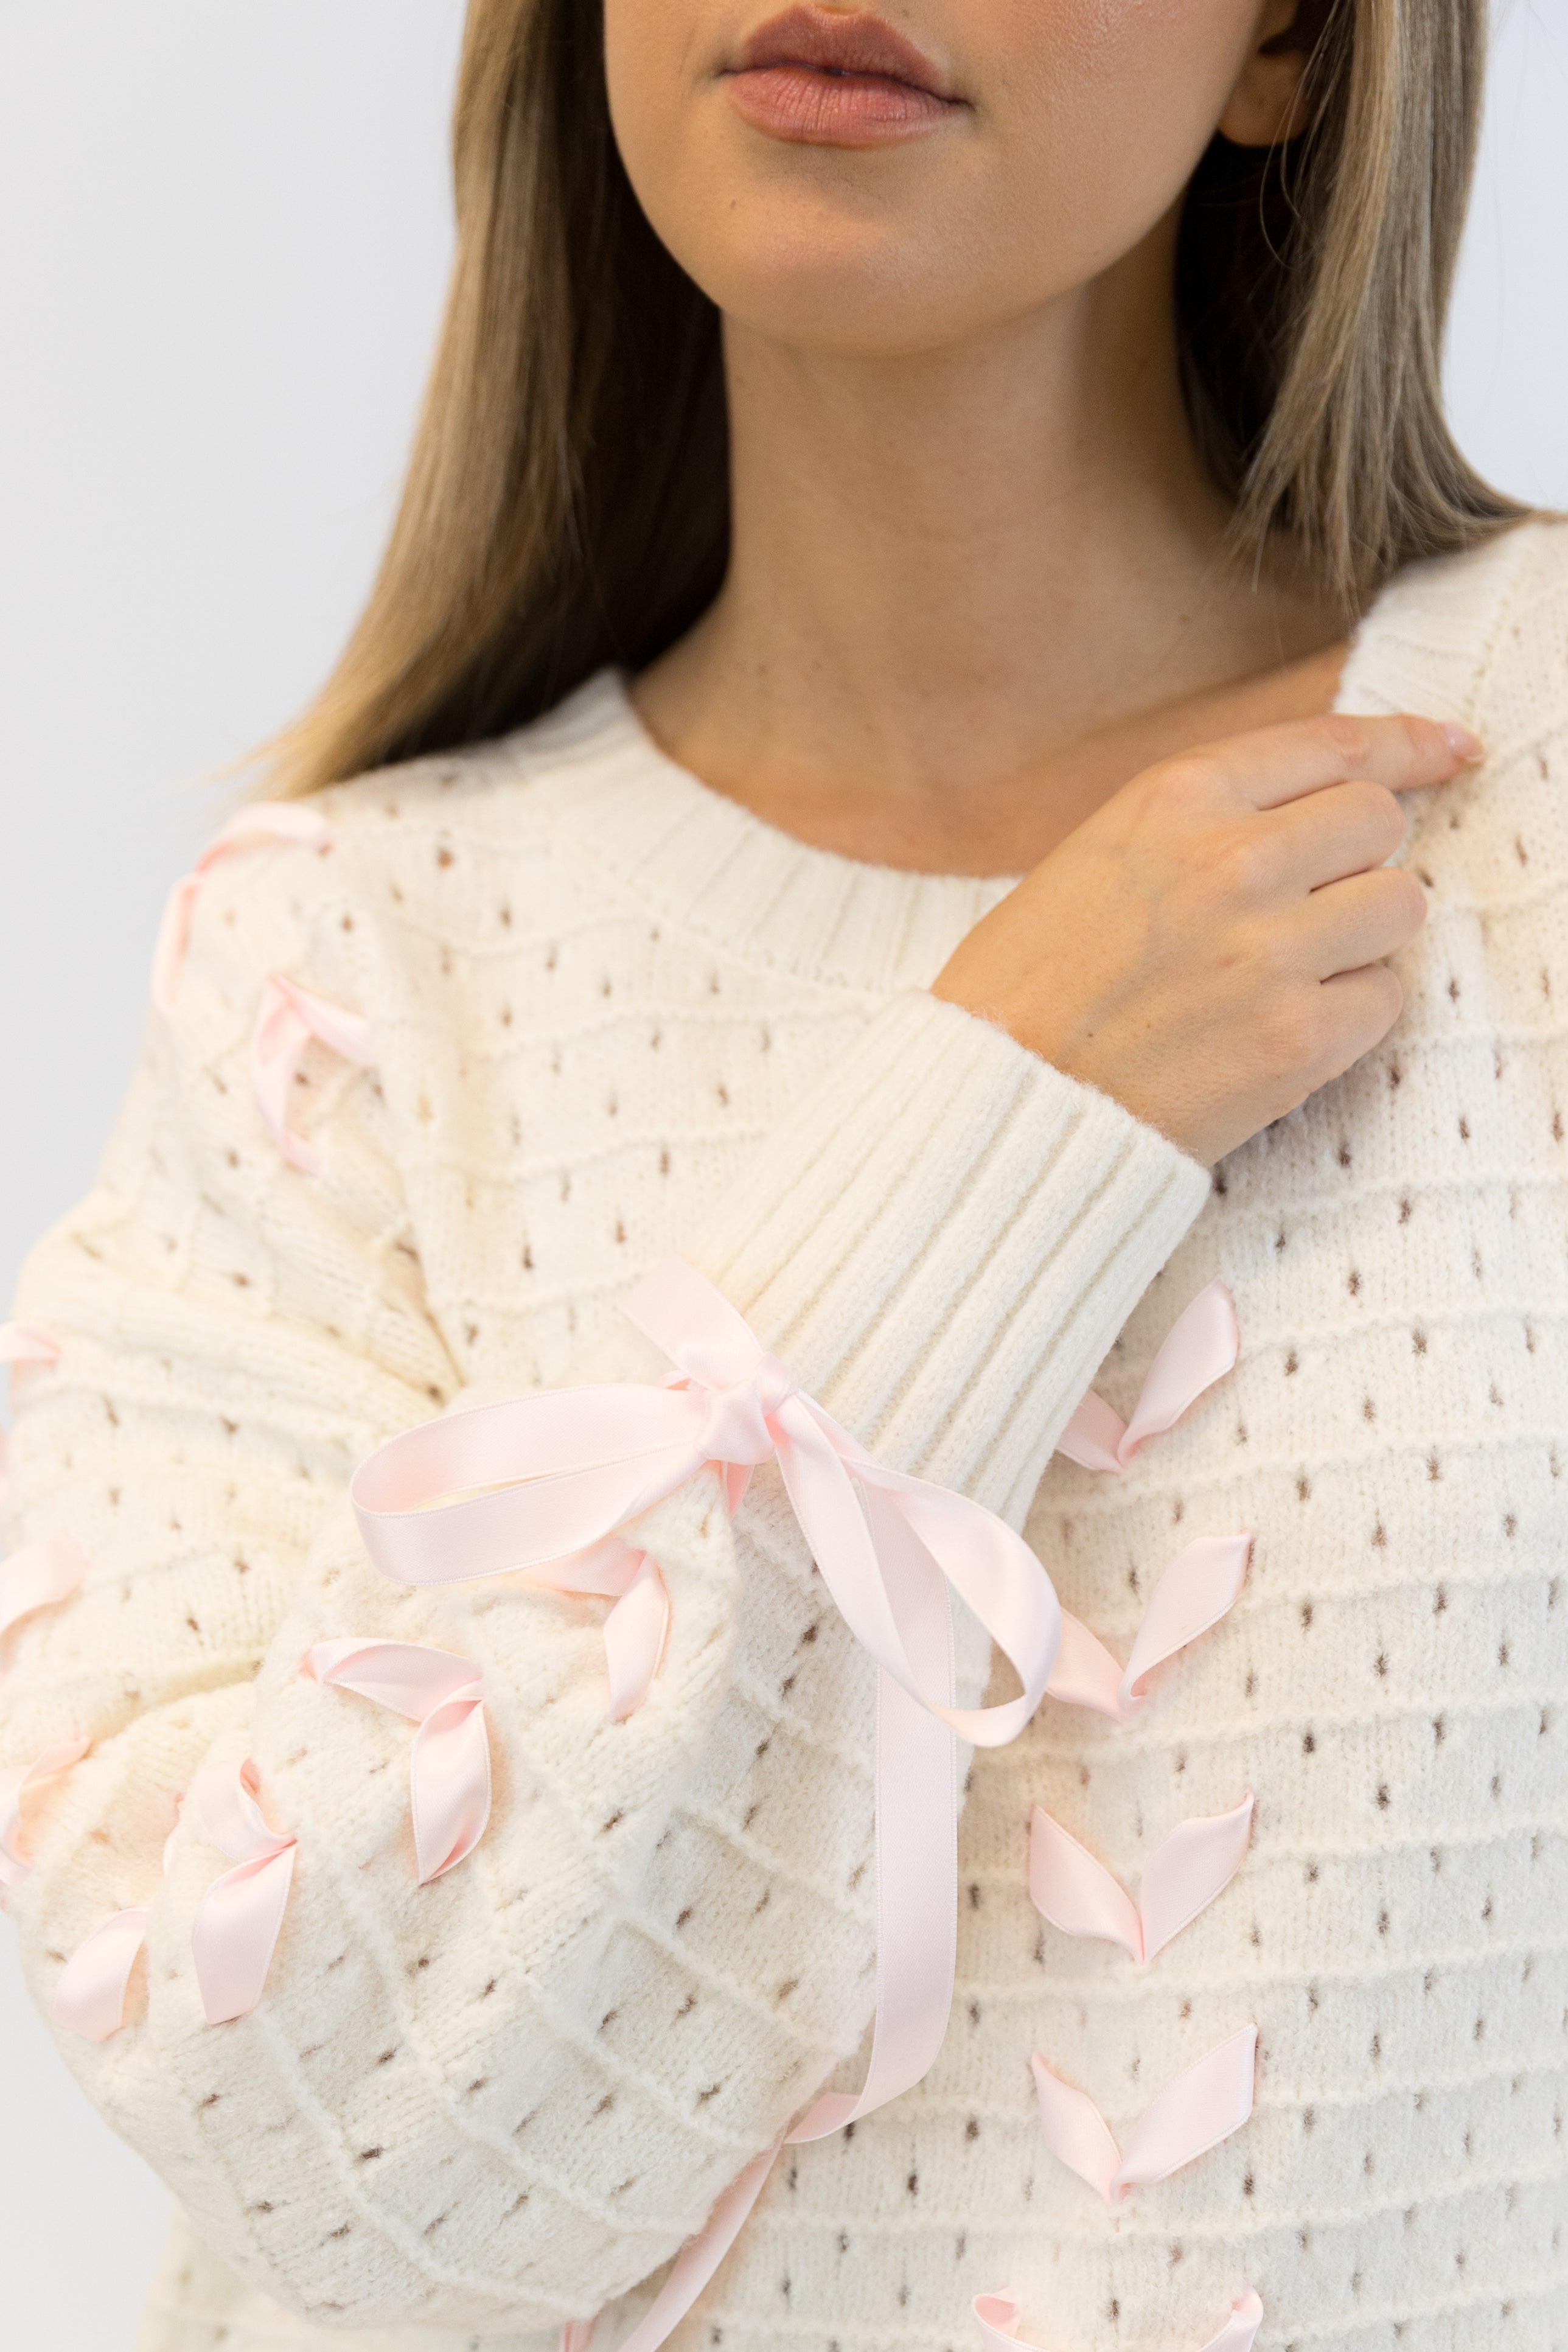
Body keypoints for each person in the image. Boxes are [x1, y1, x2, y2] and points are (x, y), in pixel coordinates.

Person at [2, 4, 1563, 2349]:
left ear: (1286, 46)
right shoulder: (339, 966)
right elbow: (320, 2132)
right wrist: (1010, 1107)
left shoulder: (1528, 786)